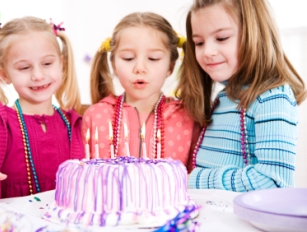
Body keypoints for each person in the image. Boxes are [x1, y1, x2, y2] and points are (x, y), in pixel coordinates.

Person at [177, 0, 306, 191]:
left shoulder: (272, 97)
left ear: (255, 34)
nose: (208, 52)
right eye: (199, 43)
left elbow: (272, 182)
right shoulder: (223, 100)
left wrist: (189, 180)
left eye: (221, 38)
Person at [0, 16, 84, 206]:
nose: (38, 75)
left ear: (62, 64)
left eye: (47, 63)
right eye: (24, 67)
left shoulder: (78, 125)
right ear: (4, 74)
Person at [82, 12, 200, 171]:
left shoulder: (188, 118)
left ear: (170, 66)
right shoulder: (96, 116)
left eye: (153, 58)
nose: (139, 68)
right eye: (128, 58)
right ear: (114, 65)